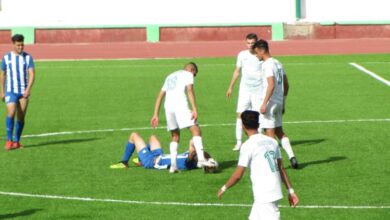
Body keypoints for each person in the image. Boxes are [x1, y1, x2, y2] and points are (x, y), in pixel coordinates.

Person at [217, 110, 299, 220]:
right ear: (258, 124)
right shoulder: (272, 141)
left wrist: (224, 187)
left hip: (264, 195)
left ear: (243, 126)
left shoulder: (248, 145)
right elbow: (281, 168)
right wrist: (291, 191)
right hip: (271, 192)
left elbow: (238, 174)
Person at [151, 62, 213, 173]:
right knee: (196, 131)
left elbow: (160, 95)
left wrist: (155, 114)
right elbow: (190, 90)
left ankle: (173, 166)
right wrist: (194, 109)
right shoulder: (188, 74)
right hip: (180, 106)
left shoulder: (170, 76)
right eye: (194, 75)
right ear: (192, 70)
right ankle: (202, 159)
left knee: (175, 136)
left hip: (168, 107)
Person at [252, 39, 298, 169]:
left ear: (262, 50)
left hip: (270, 103)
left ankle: (275, 165)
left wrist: (264, 103)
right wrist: (283, 102)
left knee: (270, 134)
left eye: (257, 53)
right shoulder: (278, 63)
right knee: (280, 131)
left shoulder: (267, 65)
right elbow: (287, 85)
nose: (257, 56)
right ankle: (292, 156)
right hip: (278, 102)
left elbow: (271, 84)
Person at [226, 33, 263, 151]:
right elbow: (237, 71)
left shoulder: (261, 56)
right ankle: (238, 142)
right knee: (239, 114)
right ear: (245, 43)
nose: (250, 45)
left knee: (259, 115)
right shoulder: (242, 55)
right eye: (248, 43)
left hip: (258, 89)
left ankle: (259, 140)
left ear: (256, 43)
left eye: (253, 43)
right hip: (245, 90)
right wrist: (231, 87)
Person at [110, 132, 218, 171]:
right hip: (159, 155)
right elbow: (200, 150)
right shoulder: (191, 158)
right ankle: (140, 158)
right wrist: (208, 159)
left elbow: (191, 144)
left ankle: (124, 162)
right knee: (153, 137)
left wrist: (193, 148)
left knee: (134, 135)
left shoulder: (188, 163)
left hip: (151, 161)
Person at [1, 34, 35, 150]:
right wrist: (2, 91)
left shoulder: (28, 58)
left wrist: (28, 89)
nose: (21, 47)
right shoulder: (6, 58)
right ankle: (9, 140)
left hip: (23, 92)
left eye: (22, 44)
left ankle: (17, 141)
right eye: (18, 45)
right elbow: (3, 74)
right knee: (11, 113)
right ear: (13, 44)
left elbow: (32, 74)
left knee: (21, 117)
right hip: (10, 91)